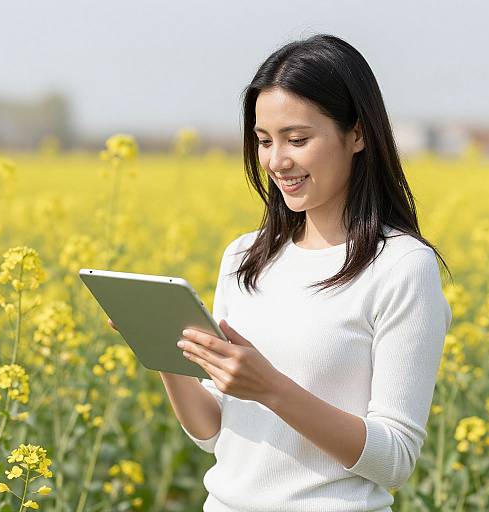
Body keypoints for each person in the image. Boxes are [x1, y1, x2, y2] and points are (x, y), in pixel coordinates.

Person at [172, 34, 452, 511]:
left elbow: (396, 460)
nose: (277, 161)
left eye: (297, 139)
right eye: (264, 141)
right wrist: (164, 357)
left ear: (358, 134)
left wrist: (271, 388)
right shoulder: (243, 256)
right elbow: (214, 434)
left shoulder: (402, 267)